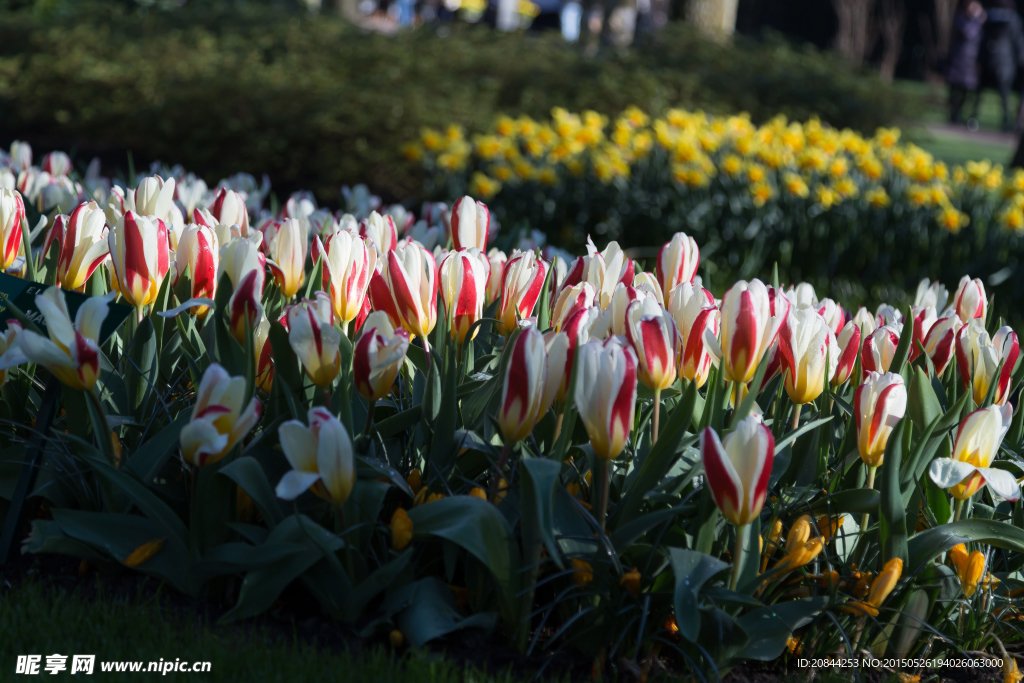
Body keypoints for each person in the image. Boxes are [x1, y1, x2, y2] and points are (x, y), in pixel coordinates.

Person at [979, 0, 1024, 131]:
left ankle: (973, 117)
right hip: (1005, 62)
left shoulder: (990, 19)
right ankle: (1006, 120)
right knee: (1004, 94)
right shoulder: (1013, 20)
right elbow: (1018, 42)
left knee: (981, 91)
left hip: (990, 60)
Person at [947, 0, 987, 125]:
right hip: (959, 60)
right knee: (955, 90)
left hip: (971, 62)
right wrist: (979, 20)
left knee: (966, 91)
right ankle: (953, 115)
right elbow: (968, 33)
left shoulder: (979, 25)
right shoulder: (961, 20)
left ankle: (959, 114)